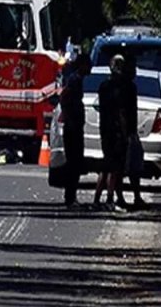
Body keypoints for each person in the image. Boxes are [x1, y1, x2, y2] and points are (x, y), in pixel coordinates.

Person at [94, 55, 127, 210]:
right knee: (113, 168)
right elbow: (119, 112)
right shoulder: (116, 87)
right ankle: (108, 199)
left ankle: (98, 199)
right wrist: (124, 130)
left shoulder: (104, 86)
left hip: (105, 129)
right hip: (113, 131)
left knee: (106, 166)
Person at [60, 53, 91, 207]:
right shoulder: (74, 80)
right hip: (72, 128)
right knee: (73, 162)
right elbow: (65, 97)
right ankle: (69, 197)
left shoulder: (76, 80)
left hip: (75, 126)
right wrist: (70, 118)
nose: (90, 67)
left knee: (75, 162)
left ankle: (71, 196)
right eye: (88, 64)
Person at [117, 57, 146, 208]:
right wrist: (125, 133)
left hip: (131, 131)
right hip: (126, 133)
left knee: (135, 165)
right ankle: (120, 197)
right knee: (123, 166)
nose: (134, 72)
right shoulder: (125, 87)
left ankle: (136, 196)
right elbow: (122, 111)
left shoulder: (129, 86)